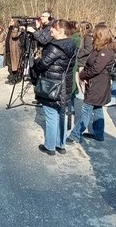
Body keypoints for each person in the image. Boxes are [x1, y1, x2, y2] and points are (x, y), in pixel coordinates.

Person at [30, 19, 77, 155]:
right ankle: (60, 144)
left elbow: (42, 65)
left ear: (61, 30)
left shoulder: (55, 47)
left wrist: (36, 61)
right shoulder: (72, 44)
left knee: (51, 114)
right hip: (65, 84)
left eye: (53, 29)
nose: (50, 31)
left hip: (52, 85)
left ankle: (50, 146)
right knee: (61, 113)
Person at [67, 24, 114, 143]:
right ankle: (98, 134)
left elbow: (96, 68)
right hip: (95, 83)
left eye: (95, 33)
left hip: (98, 85)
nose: (92, 35)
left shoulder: (106, 51)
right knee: (97, 108)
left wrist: (82, 75)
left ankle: (75, 134)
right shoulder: (98, 48)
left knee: (86, 109)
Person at [6, 19, 24, 84]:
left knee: (15, 65)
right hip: (8, 49)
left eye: (12, 21)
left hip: (14, 50)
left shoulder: (16, 29)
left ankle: (16, 78)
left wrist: (13, 27)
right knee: (10, 65)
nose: (10, 22)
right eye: (10, 21)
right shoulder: (10, 29)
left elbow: (14, 36)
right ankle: (12, 77)